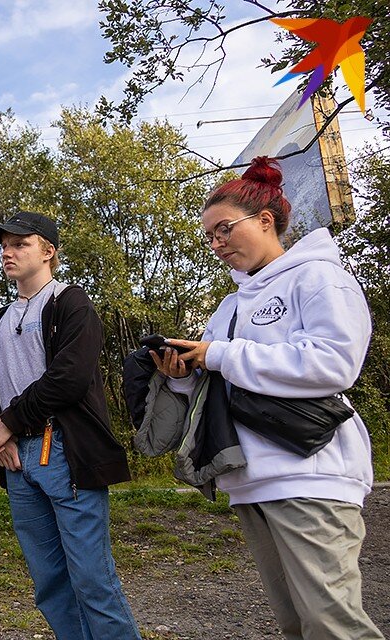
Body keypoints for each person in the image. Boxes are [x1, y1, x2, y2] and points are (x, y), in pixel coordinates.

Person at [156, 157, 384, 640]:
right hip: (251, 478)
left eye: (223, 230)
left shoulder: (318, 277)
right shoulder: (230, 304)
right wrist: (182, 374)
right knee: (297, 625)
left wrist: (220, 353)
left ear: (264, 220)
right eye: (209, 237)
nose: (216, 244)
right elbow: (221, 381)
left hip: (311, 473)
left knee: (333, 623)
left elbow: (334, 363)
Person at [0, 210, 141, 640]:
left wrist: (10, 420)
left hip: (65, 450)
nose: (8, 253)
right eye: (4, 246)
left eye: (20, 244)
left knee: (92, 580)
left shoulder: (70, 303)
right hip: (16, 461)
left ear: (48, 251)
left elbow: (69, 377)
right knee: (49, 584)